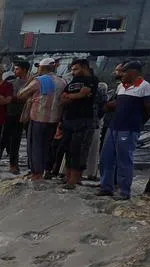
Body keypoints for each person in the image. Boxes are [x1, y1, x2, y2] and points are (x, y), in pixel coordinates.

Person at [98, 61, 150, 200]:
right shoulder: (120, 87)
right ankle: (106, 187)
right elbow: (118, 103)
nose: (120, 74)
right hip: (114, 126)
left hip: (128, 129)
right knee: (106, 158)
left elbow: (149, 109)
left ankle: (124, 191)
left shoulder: (145, 87)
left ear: (133, 72)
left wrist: (138, 123)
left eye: (123, 71)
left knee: (124, 160)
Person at [18, 57, 66, 181]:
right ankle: (46, 171)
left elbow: (21, 95)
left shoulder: (40, 80)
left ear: (42, 68)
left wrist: (30, 81)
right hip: (54, 120)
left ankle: (36, 174)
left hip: (38, 118)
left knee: (35, 147)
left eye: (38, 67)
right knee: (48, 147)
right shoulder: (62, 81)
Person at [57, 58, 99, 188]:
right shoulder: (72, 82)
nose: (73, 72)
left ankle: (74, 180)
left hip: (83, 120)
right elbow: (63, 98)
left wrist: (72, 97)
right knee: (67, 149)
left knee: (78, 150)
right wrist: (74, 96)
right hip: (69, 119)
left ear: (84, 67)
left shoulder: (92, 80)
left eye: (75, 69)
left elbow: (83, 94)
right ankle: (67, 176)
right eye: (72, 69)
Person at [1, 60, 31, 173]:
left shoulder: (30, 83)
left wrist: (14, 98)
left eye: (17, 68)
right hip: (9, 113)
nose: (14, 70)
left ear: (24, 70)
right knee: (3, 139)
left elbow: (26, 98)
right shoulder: (10, 81)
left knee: (16, 140)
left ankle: (14, 164)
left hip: (24, 114)